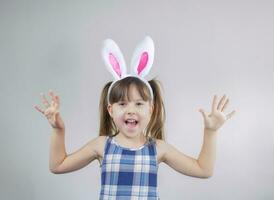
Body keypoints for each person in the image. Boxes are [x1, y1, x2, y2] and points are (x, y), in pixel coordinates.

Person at [34, 36, 236, 200]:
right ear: (110, 110)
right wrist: (58, 130)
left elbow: (203, 170)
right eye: (122, 104)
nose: (131, 110)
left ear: (151, 109)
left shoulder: (158, 149)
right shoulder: (101, 145)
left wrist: (210, 132)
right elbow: (57, 165)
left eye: (139, 104)